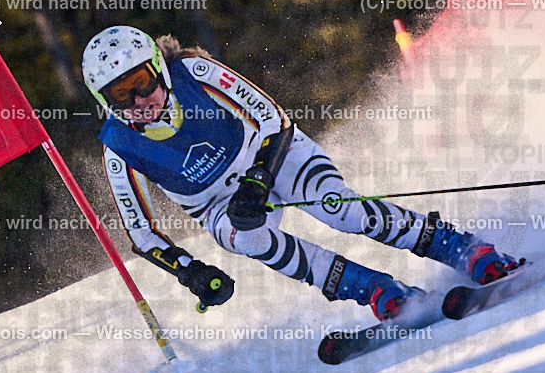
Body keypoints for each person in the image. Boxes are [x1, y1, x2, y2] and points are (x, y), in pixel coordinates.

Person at [82, 26, 519, 319]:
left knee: (340, 210)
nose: (138, 100)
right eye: (120, 95)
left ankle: (464, 250)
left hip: (270, 155)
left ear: (158, 68)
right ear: (105, 103)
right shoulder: (119, 147)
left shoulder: (194, 73)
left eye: (141, 82)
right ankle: (377, 291)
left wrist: (258, 178)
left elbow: (272, 119)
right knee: (244, 235)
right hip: (218, 202)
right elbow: (141, 234)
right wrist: (190, 271)